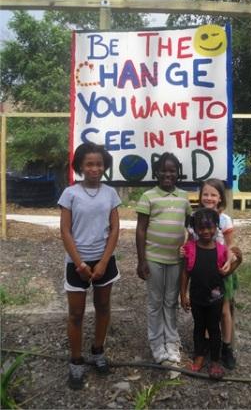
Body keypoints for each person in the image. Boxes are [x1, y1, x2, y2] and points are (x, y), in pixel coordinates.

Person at [58, 142, 121, 390]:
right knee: (76, 314)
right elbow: (64, 230)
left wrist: (104, 261)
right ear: (80, 167)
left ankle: (97, 351)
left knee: (103, 307)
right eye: (89, 164)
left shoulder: (110, 193)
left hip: (104, 260)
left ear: (104, 166)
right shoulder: (70, 193)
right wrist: (80, 263)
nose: (95, 168)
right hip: (77, 262)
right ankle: (76, 360)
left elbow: (115, 228)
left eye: (99, 164)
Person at [136, 152, 192, 365]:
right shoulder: (149, 196)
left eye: (172, 170)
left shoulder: (184, 198)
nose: (168, 174)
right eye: (164, 170)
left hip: (176, 260)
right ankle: (156, 344)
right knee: (155, 302)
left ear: (178, 173)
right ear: (157, 172)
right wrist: (141, 261)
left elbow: (188, 227)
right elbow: (140, 230)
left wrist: (190, 250)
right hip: (153, 258)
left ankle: (171, 341)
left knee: (171, 301)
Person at [196, 178, 242, 369]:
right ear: (200, 196)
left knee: (224, 311)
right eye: (205, 194)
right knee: (207, 310)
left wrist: (228, 261)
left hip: (222, 271)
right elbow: (192, 242)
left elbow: (231, 245)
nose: (209, 198)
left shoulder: (224, 219)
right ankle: (207, 344)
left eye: (213, 194)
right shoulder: (196, 216)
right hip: (204, 272)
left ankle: (226, 347)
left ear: (220, 198)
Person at [180, 208, 230, 379]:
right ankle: (199, 355)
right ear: (195, 229)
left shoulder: (222, 250)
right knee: (199, 327)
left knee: (214, 328)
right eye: (201, 228)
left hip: (215, 298)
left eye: (210, 227)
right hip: (197, 297)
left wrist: (237, 260)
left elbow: (226, 272)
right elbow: (186, 273)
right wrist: (183, 295)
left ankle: (215, 360)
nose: (206, 232)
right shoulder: (190, 248)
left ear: (216, 227)